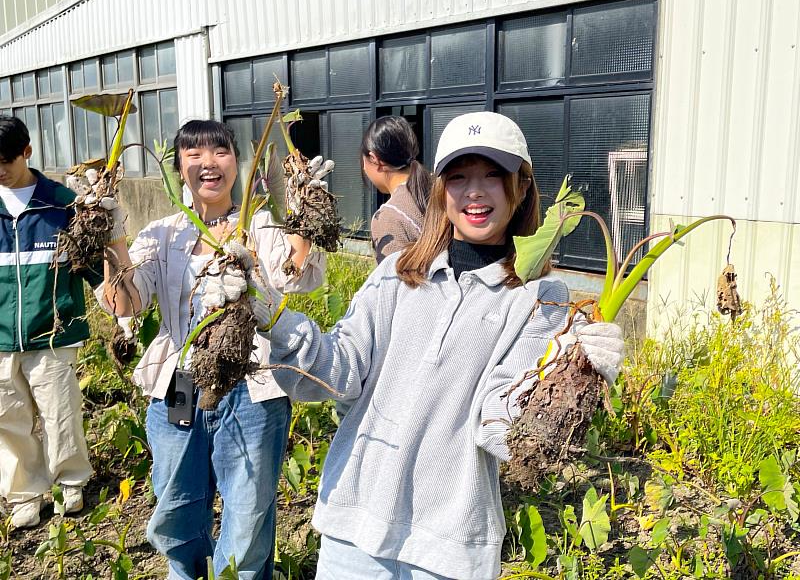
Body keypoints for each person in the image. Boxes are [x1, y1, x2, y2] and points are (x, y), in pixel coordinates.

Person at [240, 111, 625, 579]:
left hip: (449, 545)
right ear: (441, 189)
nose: (475, 192)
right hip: (354, 523)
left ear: (521, 187)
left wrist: (572, 372)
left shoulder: (538, 298)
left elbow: (498, 425)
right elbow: (338, 371)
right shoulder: (396, 273)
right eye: (459, 178)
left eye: (493, 177)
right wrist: (275, 317)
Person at [97, 120, 329, 579]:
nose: (209, 164)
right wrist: (109, 231)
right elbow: (127, 302)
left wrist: (306, 209)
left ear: (235, 162)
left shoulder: (262, 227)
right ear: (179, 166)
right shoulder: (161, 235)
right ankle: (185, 573)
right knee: (176, 505)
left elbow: (301, 278)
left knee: (247, 513)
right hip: (179, 384)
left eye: (220, 152)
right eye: (194, 154)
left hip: (253, 387)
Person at [0, 116, 99, 528]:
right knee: (9, 417)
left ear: (27, 152)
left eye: (5, 160)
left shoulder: (63, 204)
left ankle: (71, 482)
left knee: (61, 411)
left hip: (53, 333)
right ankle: (25, 491)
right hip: (1, 337)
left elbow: (95, 267)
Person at [361, 116, 431, 263]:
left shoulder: (389, 217)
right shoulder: (437, 188)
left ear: (375, 159)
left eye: (363, 162)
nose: (363, 168)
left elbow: (394, 283)